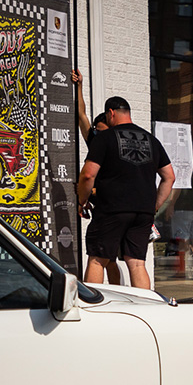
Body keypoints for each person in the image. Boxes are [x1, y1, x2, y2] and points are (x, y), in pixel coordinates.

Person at [76, 95, 175, 292]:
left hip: (112, 209)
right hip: (143, 212)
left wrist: (82, 200)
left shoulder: (105, 138)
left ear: (110, 113)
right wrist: (154, 205)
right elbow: (169, 177)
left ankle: (93, 312)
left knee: (97, 260)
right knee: (137, 263)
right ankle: (146, 310)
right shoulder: (151, 140)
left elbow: (88, 175)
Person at [70, 70, 119, 282]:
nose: (98, 136)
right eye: (96, 132)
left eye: (102, 131)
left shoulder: (116, 147)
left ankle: (104, 296)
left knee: (103, 258)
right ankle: (120, 292)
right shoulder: (96, 142)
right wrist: (79, 86)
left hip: (112, 208)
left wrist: (90, 193)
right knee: (110, 258)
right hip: (102, 207)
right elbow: (81, 115)